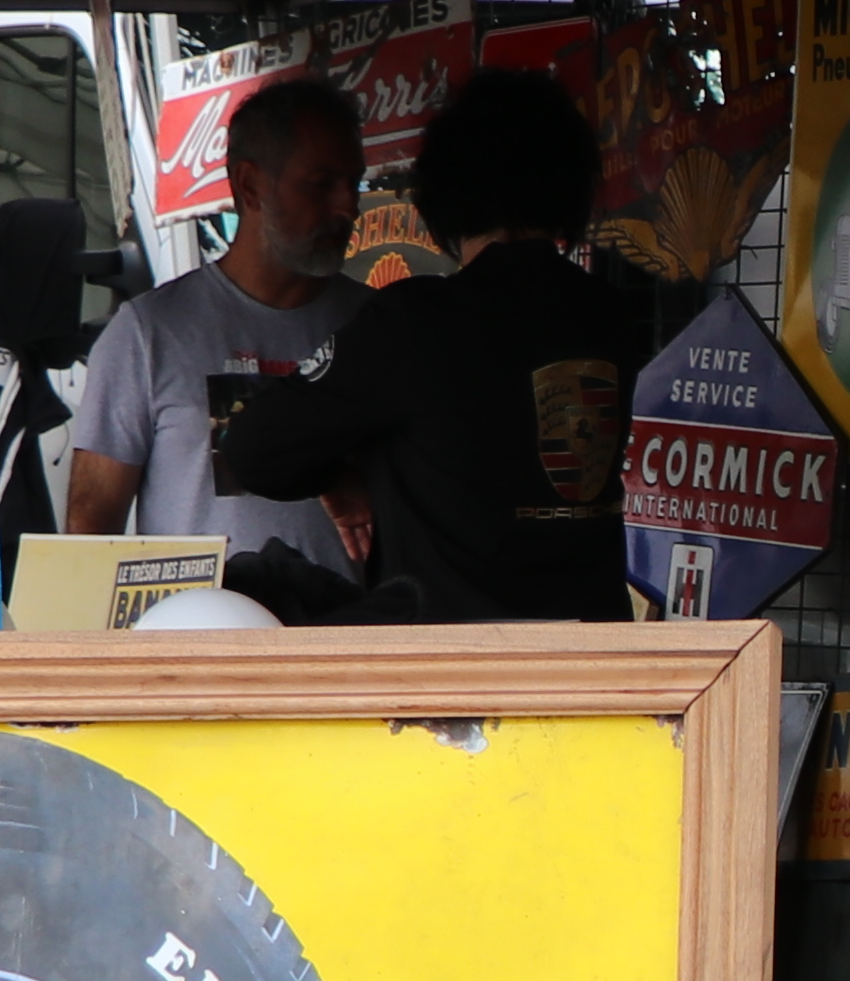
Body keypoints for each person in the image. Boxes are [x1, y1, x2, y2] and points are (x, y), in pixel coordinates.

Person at [214, 68, 657, 622]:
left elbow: (251, 450)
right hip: (595, 656)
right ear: (570, 182)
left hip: (458, 671)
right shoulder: (607, 316)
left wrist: (341, 479)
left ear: (448, 186)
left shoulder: (416, 322)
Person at [60, 83, 358, 584]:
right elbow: (90, 531)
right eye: (321, 184)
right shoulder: (148, 334)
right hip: (205, 647)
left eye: (356, 183)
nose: (347, 206)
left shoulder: (376, 326)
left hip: (356, 643)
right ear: (249, 186)